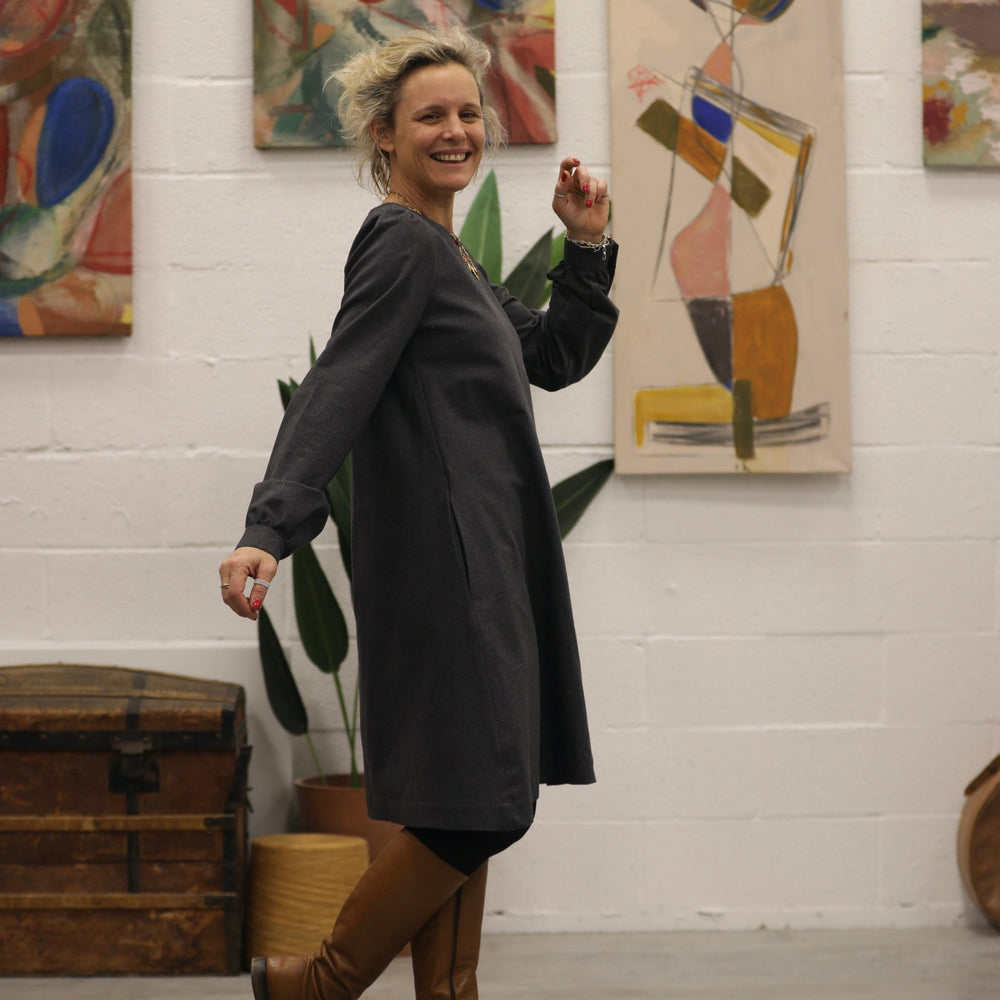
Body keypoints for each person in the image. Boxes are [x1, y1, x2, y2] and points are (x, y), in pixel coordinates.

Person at [219, 26, 619, 1000]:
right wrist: (270, 527)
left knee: (464, 793)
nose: (456, 130)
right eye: (430, 115)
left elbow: (553, 356)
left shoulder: (451, 258)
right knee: (488, 799)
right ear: (384, 135)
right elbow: (338, 385)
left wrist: (585, 242)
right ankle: (318, 982)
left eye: (468, 112)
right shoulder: (401, 243)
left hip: (483, 556)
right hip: (450, 567)